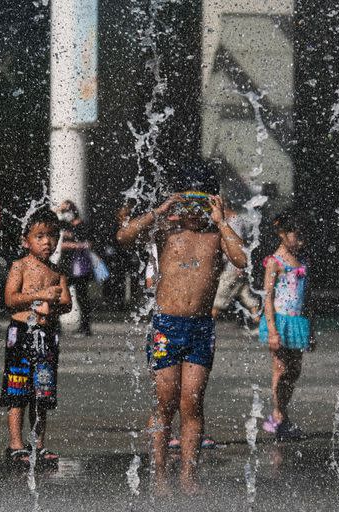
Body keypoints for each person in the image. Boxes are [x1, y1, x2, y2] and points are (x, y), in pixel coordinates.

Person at [116, 164, 246, 495]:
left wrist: (221, 221)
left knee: (192, 402)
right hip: (166, 326)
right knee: (166, 402)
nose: (193, 211)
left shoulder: (216, 236)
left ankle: (189, 474)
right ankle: (159, 475)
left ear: (213, 202)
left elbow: (242, 259)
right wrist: (158, 212)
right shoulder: (165, 232)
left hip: (200, 327)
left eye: (201, 204)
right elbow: (124, 237)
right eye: (187, 203)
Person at [1, 208, 71, 465]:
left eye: (52, 236)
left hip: (46, 335)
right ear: (25, 240)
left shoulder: (57, 272)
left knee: (42, 393)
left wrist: (53, 306)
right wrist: (39, 297)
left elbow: (67, 303)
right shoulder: (19, 266)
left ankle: (38, 445)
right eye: (39, 236)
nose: (47, 242)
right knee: (17, 390)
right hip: (21, 333)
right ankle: (15, 444)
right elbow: (10, 299)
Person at [259, 211, 309, 441]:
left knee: (294, 370)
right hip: (280, 321)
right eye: (296, 236)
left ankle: (282, 412)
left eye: (302, 237)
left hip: (297, 321)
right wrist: (271, 329)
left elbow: (306, 298)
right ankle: (278, 415)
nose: (301, 241)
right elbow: (267, 297)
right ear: (282, 234)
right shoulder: (274, 262)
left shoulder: (301, 260)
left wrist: (312, 328)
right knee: (280, 368)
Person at [211, 203, 260, 321]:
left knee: (217, 300)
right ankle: (261, 323)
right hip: (235, 266)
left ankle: (207, 324)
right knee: (245, 295)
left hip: (232, 267)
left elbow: (237, 244)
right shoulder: (232, 219)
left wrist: (238, 267)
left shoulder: (234, 220)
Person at [56, 201, 94, 337]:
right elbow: (52, 219)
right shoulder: (65, 225)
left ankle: (85, 328)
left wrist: (71, 245)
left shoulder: (82, 226)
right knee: (58, 294)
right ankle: (56, 326)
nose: (65, 214)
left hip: (79, 267)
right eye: (63, 211)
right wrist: (58, 209)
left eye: (67, 210)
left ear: (73, 210)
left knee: (82, 297)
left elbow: (89, 243)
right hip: (65, 266)